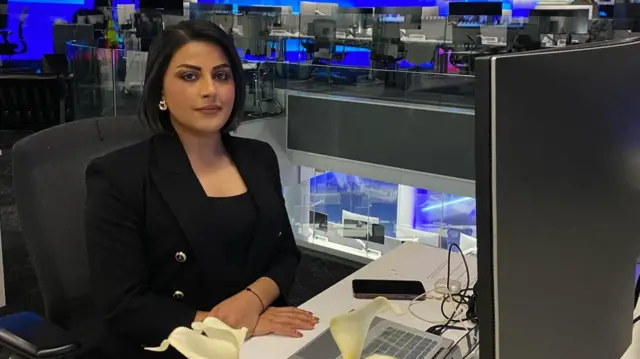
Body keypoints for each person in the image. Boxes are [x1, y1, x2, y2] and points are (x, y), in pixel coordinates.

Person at [84, 20, 317, 358]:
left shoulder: (258, 157)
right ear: (159, 90)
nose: (211, 90)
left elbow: (284, 254)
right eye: (189, 76)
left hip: (262, 332)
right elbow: (123, 305)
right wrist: (224, 325)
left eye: (222, 75)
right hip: (174, 342)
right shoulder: (118, 175)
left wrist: (251, 301)